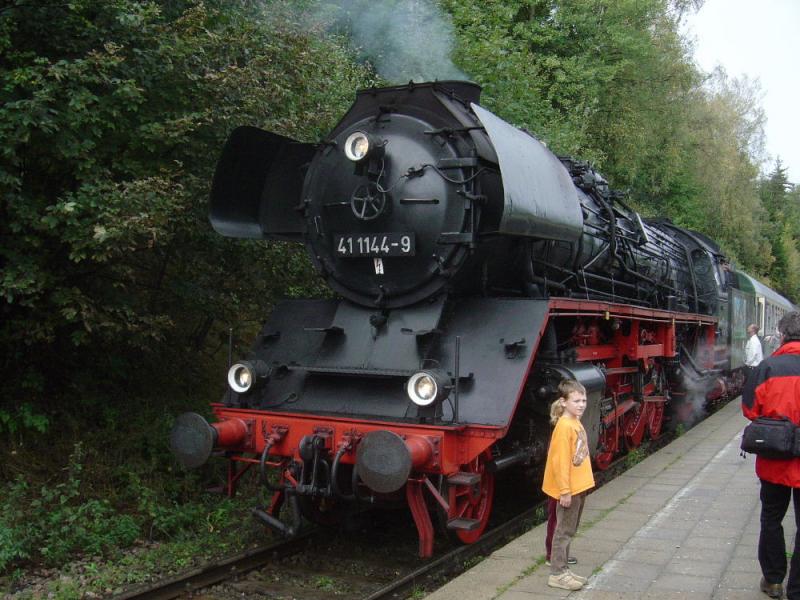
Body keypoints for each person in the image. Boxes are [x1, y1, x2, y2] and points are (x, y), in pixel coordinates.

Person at [742, 311, 800, 600]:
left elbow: (750, 409)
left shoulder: (767, 367)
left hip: (774, 457)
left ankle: (774, 579)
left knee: (771, 517)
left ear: (783, 334)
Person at [542, 379, 595, 590]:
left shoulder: (575, 421)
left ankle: (564, 569)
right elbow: (560, 462)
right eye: (576, 401)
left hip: (578, 487)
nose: (582, 404)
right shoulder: (564, 427)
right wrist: (564, 491)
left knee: (569, 530)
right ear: (564, 402)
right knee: (563, 531)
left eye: (584, 400)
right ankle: (557, 573)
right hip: (569, 490)